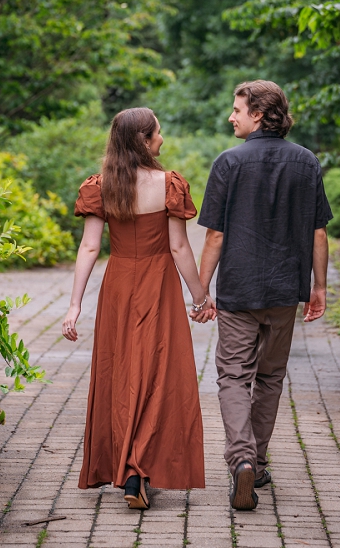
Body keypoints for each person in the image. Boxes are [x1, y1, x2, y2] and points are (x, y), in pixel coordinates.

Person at [62, 107, 215, 510]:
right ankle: (138, 470)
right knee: (158, 372)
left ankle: (130, 471)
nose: (162, 140)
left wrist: (74, 305)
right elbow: (180, 247)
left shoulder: (101, 186)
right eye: (158, 134)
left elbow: (90, 247)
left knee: (123, 371)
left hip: (118, 286)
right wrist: (200, 297)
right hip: (158, 283)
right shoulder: (168, 185)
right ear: (144, 141)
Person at [194, 80, 333, 511]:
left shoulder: (228, 163)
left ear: (258, 113)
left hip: (239, 291)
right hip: (285, 290)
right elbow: (318, 231)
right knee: (270, 377)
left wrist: (201, 292)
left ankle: (241, 460)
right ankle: (258, 459)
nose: (231, 117)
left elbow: (215, 234)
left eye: (237, 109)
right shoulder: (307, 162)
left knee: (234, 375)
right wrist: (319, 287)